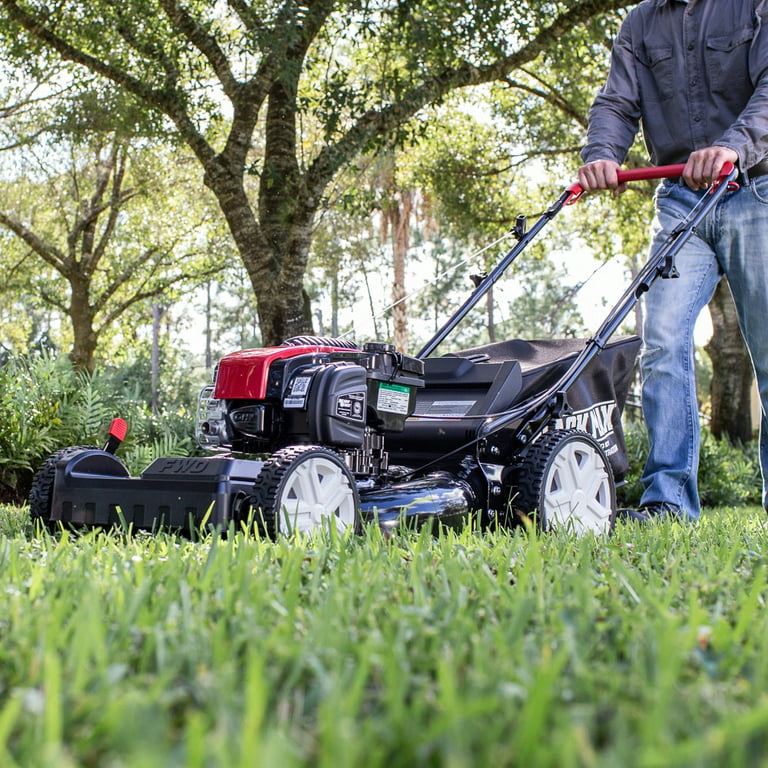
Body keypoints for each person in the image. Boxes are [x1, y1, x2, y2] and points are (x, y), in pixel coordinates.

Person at [578, 0, 768, 521]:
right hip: (682, 201)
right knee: (661, 337)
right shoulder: (640, 23)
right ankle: (669, 500)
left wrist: (731, 146)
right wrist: (602, 155)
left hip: (756, 191)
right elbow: (616, 103)